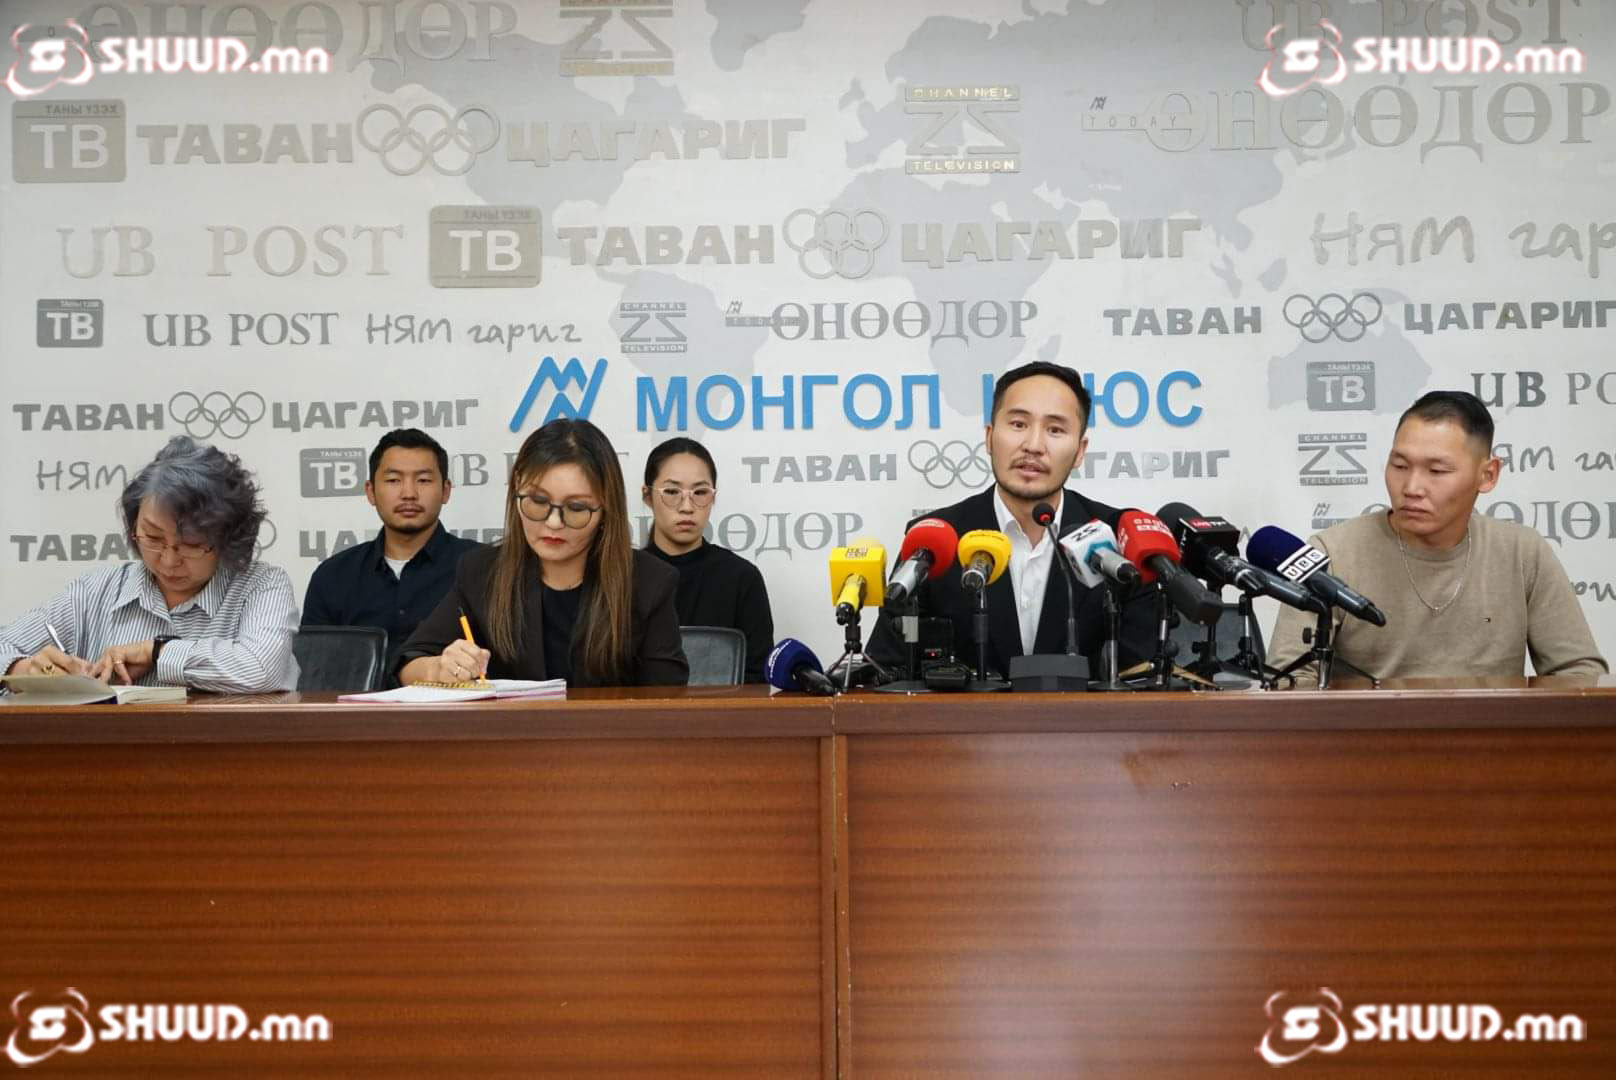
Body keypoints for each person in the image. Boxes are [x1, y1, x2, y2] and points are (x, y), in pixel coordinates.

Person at [1268, 391, 1607, 682]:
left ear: (1488, 475)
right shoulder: (1333, 553)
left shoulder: (1521, 552)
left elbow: (1578, 673)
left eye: (1437, 471)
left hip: (1493, 738)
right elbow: (1287, 680)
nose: (1412, 487)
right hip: (1368, 738)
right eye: (1400, 466)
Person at [868, 361, 1157, 679]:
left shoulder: (1120, 541)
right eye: (1018, 424)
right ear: (990, 437)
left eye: (1055, 430)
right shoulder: (935, 540)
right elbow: (887, 668)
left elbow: (1143, 676)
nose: (1033, 445)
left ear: (1079, 450)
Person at [397, 419, 689, 687]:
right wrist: (438, 668)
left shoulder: (649, 583)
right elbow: (408, 663)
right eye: (538, 501)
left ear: (605, 509)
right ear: (516, 490)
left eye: (576, 508)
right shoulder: (481, 572)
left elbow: (668, 700)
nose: (553, 522)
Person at [0, 436, 298, 692]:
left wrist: (158, 652)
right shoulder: (96, 591)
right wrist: (22, 670)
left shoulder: (260, 585)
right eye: (153, 538)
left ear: (229, 538)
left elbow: (262, 668)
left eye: (192, 545)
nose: (168, 560)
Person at [301, 429, 481, 680]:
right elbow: (314, 673)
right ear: (371, 491)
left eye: (423, 480)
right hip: (355, 706)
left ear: (446, 491)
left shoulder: (482, 568)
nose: (409, 493)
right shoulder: (332, 576)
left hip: (458, 705)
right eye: (394, 480)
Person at [640, 437, 774, 682]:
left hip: (725, 708)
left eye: (700, 492)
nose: (687, 507)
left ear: (713, 497)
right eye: (672, 492)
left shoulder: (742, 578)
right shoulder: (623, 577)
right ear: (647, 496)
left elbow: (759, 679)